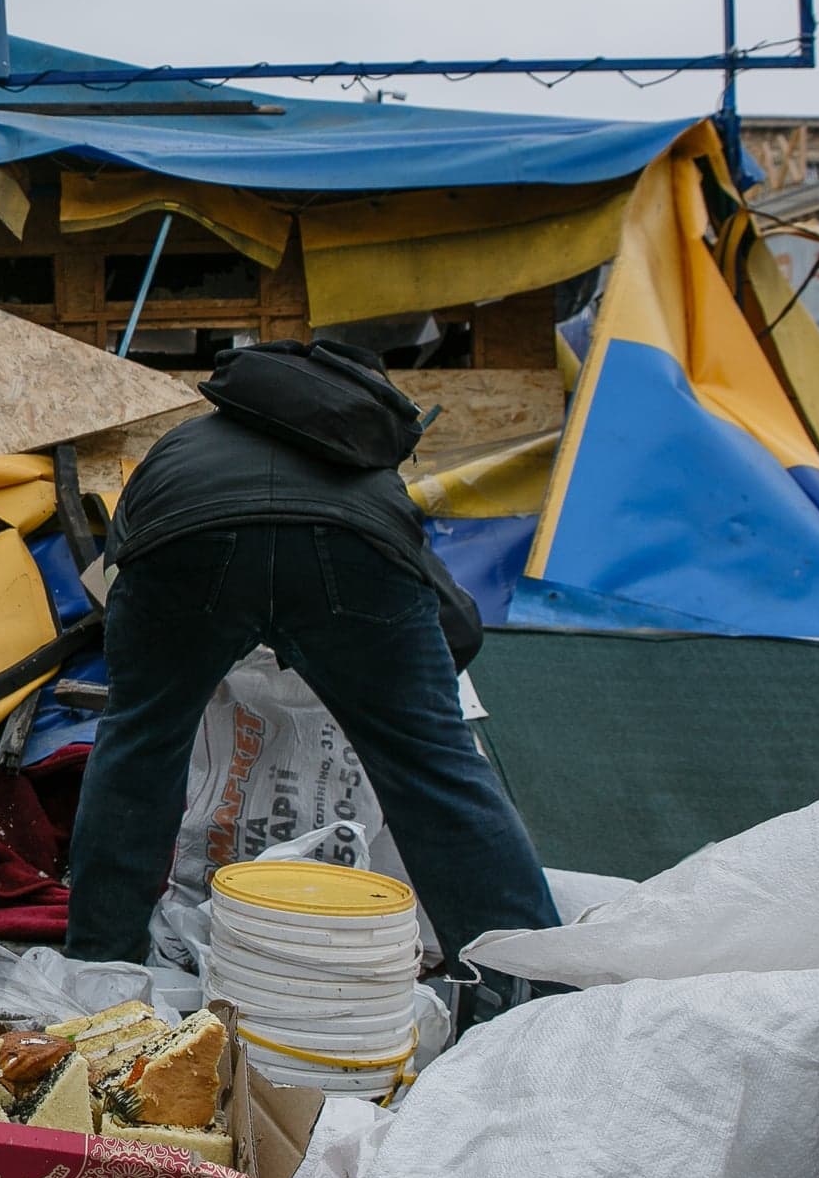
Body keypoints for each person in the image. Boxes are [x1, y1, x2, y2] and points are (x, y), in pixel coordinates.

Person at [64, 344, 560, 992]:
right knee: (435, 767)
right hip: (352, 552)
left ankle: (99, 974)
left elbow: (121, 582)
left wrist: (171, 669)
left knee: (139, 743)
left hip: (184, 542)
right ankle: (526, 986)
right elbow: (452, 626)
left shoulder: (183, 447)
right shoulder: (366, 480)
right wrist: (400, 694)